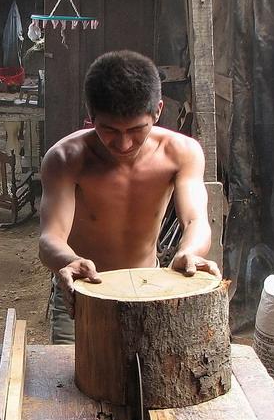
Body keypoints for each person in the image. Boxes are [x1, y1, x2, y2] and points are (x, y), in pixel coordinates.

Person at [38, 50, 221, 344]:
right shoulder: (65, 158)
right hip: (83, 288)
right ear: (91, 114)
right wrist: (69, 261)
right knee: (70, 377)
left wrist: (190, 252)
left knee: (147, 376)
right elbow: (50, 239)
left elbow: (195, 219)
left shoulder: (181, 153)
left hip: (148, 285)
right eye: (109, 130)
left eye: (137, 130)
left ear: (158, 111)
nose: (124, 143)